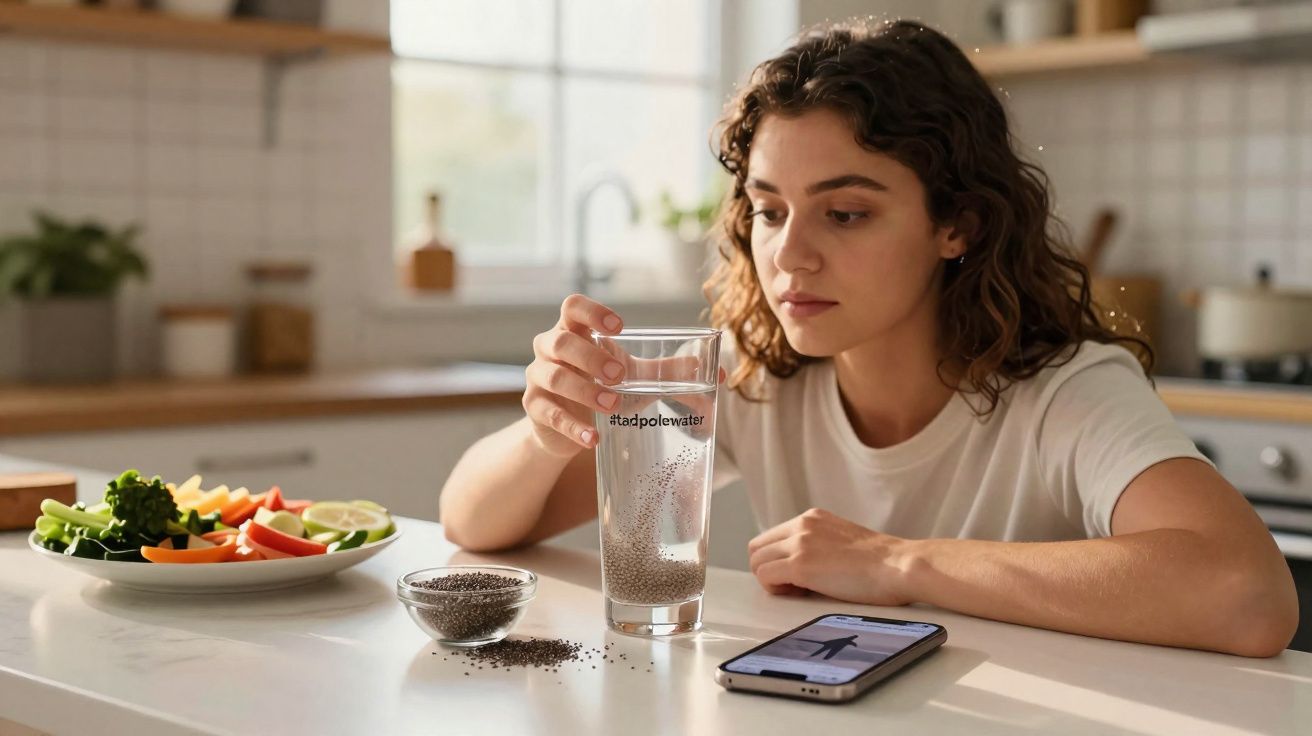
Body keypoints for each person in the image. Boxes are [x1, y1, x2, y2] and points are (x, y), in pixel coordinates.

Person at [439, 19, 1297, 657]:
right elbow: (473, 523)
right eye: (770, 211)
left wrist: (896, 564)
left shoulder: (1066, 390)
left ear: (956, 225)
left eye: (845, 213)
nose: (790, 254)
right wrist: (546, 431)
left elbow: (1247, 594)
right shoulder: (756, 378)